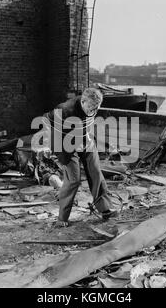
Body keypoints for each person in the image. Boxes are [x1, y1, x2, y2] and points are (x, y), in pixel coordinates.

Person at [43, 88, 118, 227]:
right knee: (73, 181)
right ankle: (62, 219)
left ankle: (105, 210)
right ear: (83, 102)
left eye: (96, 108)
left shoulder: (92, 105)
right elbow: (46, 120)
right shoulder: (64, 110)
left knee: (96, 174)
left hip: (86, 141)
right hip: (67, 146)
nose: (93, 111)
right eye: (90, 107)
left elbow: (88, 120)